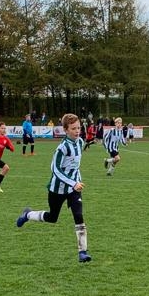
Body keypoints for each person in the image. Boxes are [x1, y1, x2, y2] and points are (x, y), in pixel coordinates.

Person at [15, 113, 92, 263]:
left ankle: (83, 252)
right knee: (52, 217)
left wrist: (77, 182)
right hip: (57, 189)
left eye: (78, 128)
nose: (77, 131)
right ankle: (28, 214)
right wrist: (73, 182)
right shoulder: (62, 148)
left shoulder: (80, 142)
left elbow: (75, 166)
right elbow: (55, 169)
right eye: (73, 128)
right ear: (65, 130)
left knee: (79, 215)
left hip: (74, 189)